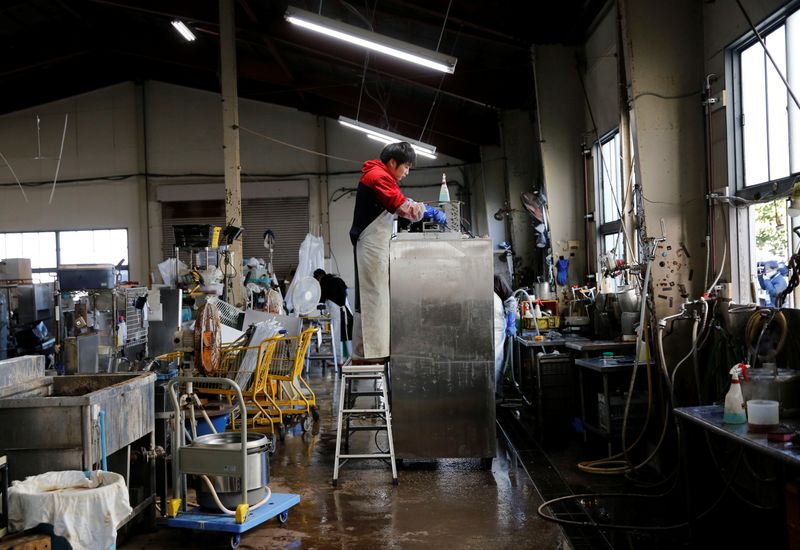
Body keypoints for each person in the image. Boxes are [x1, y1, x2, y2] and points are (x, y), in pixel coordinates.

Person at [349, 142, 446, 358]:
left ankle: (369, 351)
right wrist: (427, 210)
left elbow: (399, 200)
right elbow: (404, 208)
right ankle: (371, 354)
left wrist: (417, 205)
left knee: (374, 297)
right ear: (393, 162)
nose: (407, 172)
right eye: (406, 167)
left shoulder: (379, 175)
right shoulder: (379, 177)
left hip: (373, 245)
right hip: (371, 244)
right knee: (374, 298)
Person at [313, 268, 353, 364]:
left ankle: (338, 360)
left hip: (336, 312)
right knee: (347, 334)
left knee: (336, 335)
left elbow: (321, 301)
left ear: (318, 277)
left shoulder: (324, 283)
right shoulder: (337, 280)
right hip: (346, 310)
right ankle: (350, 358)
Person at [493, 274, 516, 401]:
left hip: (496, 328)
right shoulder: (473, 280)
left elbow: (510, 301)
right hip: (477, 328)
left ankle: (496, 393)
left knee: (496, 359)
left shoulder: (497, 279)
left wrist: (511, 323)